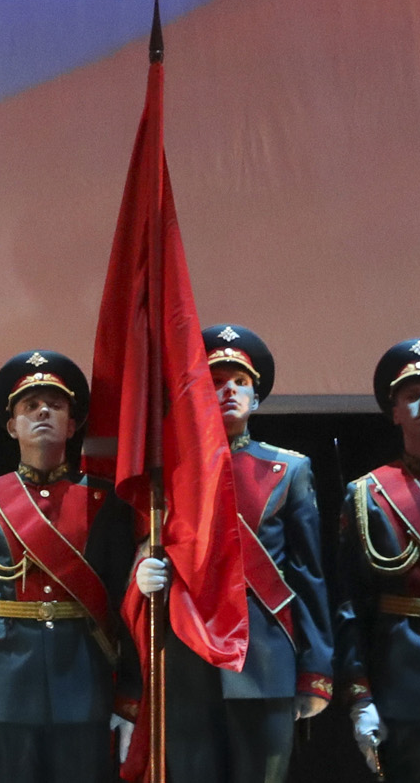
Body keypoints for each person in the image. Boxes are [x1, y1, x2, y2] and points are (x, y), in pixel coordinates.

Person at [130, 325, 332, 782]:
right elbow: (146, 549)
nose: (228, 391)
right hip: (188, 660)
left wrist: (315, 669)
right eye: (216, 382)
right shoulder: (171, 473)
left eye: (240, 382)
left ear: (256, 398)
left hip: (265, 660)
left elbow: (308, 575)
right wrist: (141, 574)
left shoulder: (289, 469)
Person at [0, 350, 137, 782]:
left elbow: (127, 609)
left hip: (84, 685)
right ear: (12, 426)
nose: (43, 411)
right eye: (29, 405)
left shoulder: (106, 503)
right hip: (6, 688)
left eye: (56, 404)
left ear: (73, 423)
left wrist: (130, 700)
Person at [336, 338, 420, 781]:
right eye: (411, 396)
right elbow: (351, 604)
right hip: (404, 681)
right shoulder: (369, 494)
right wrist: (360, 697)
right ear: (395, 413)